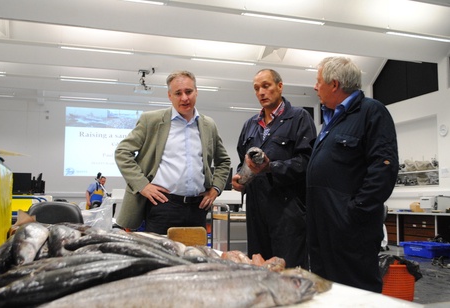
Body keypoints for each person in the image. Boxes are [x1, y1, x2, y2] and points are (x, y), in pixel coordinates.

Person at [306, 56, 399, 293]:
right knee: (325, 292)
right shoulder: (331, 120)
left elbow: (384, 167)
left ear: (334, 84)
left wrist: (355, 212)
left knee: (356, 292)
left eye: (318, 82)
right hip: (323, 229)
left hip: (350, 231)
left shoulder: (371, 112)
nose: (315, 87)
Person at [114, 70, 231, 234]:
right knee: (162, 258)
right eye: (178, 93)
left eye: (189, 91)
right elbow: (122, 152)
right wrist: (143, 185)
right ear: (170, 96)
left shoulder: (208, 125)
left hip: (198, 207)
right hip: (163, 206)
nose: (184, 98)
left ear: (196, 92)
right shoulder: (152, 120)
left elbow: (223, 161)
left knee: (195, 257)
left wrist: (216, 189)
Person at [232, 69, 317, 268]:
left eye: (266, 86)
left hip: (288, 210)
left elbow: (307, 162)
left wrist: (272, 167)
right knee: (258, 267)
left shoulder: (299, 118)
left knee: (289, 271)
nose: (261, 92)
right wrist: (240, 177)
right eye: (256, 88)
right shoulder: (250, 125)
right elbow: (242, 160)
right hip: (255, 210)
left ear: (280, 86)